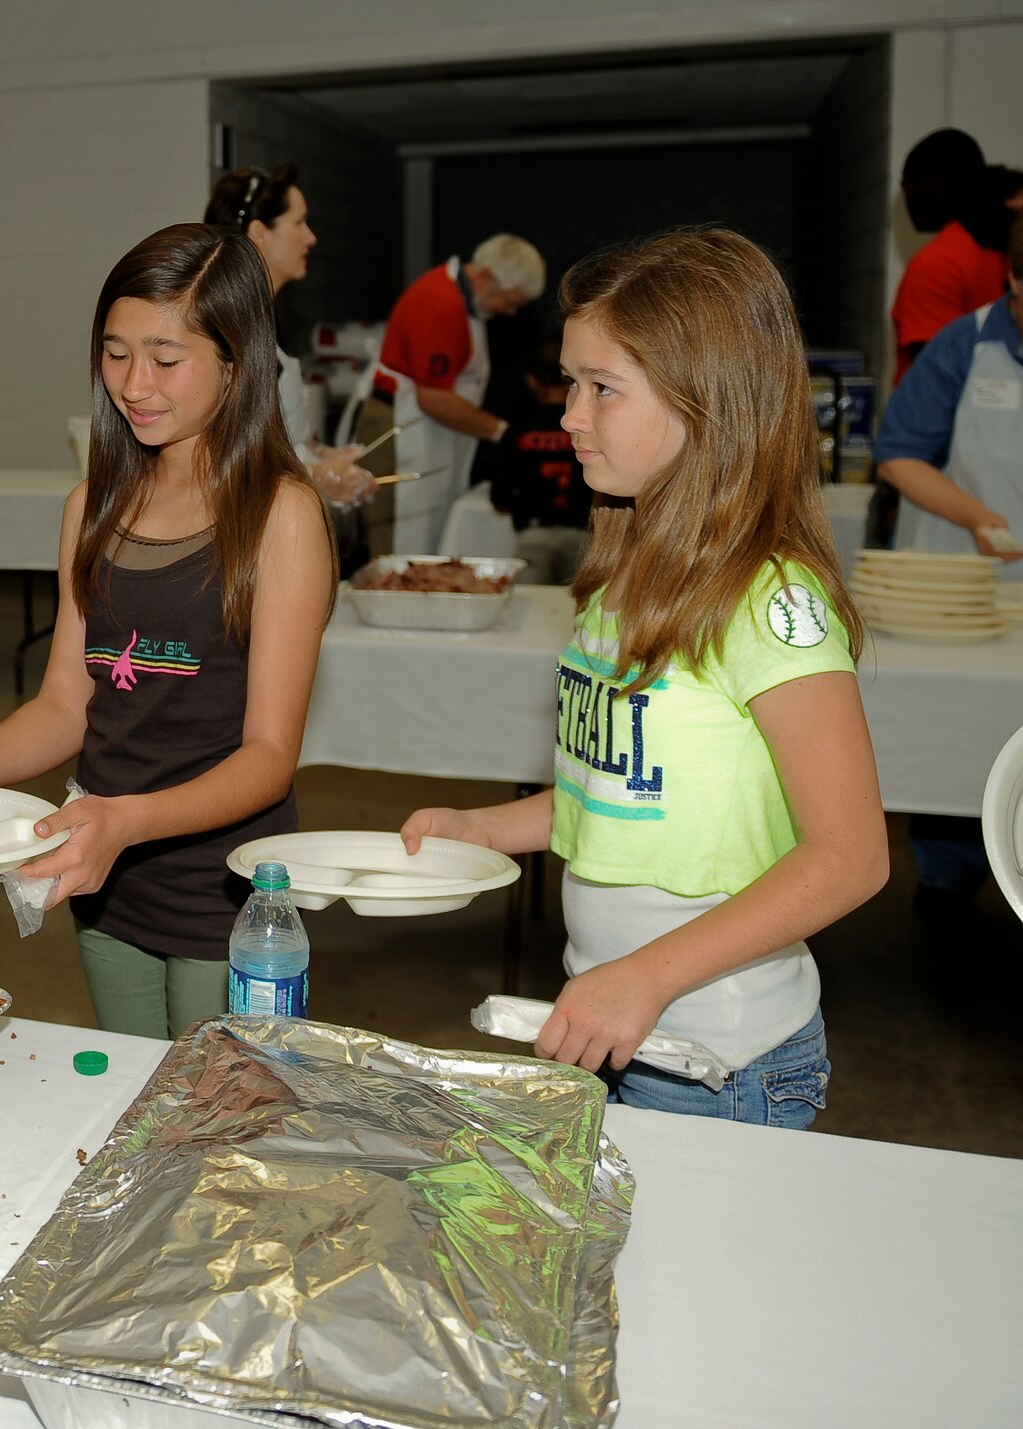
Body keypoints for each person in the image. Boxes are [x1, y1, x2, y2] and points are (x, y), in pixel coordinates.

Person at [402, 229, 887, 1127]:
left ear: (707, 403)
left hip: (721, 1061)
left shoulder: (770, 599)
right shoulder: (622, 577)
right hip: (619, 1027)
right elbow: (613, 792)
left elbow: (851, 857)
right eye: (570, 383)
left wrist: (644, 976)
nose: (570, 415)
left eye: (601, 388)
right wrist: (483, 827)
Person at [0, 223, 335, 1039]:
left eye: (167, 359)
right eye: (115, 352)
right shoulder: (91, 506)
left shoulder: (281, 516)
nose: (135, 383)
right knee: (130, 1105)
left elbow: (269, 758)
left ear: (236, 363)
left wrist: (125, 820)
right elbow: (65, 705)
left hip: (224, 893)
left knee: (208, 1127)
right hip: (106, 883)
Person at [874, 211, 1023, 904]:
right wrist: (980, 518)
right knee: (958, 743)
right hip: (962, 597)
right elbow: (898, 452)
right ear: (1013, 279)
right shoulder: (965, 346)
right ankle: (945, 880)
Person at [203, 165, 375, 573]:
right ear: (260, 233)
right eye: (299, 222)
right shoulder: (228, 327)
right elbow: (225, 447)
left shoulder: (264, 317)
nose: (311, 237)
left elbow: (270, 426)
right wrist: (315, 473)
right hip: (243, 540)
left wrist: (319, 454)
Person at [355, 233, 545, 555]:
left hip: (429, 430)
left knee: (431, 543)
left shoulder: (468, 302)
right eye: (510, 302)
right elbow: (433, 399)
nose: (511, 313)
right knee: (402, 549)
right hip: (401, 430)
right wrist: (503, 433)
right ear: (487, 279)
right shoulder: (440, 305)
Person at [890, 129, 1011, 383]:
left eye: (907, 185)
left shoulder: (937, 264)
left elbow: (932, 382)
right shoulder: (1005, 247)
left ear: (932, 183)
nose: (907, 200)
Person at [488, 339, 590, 585]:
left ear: (531, 381)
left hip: (534, 537)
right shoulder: (590, 429)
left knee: (531, 613)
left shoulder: (517, 431)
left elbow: (499, 498)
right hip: (585, 540)